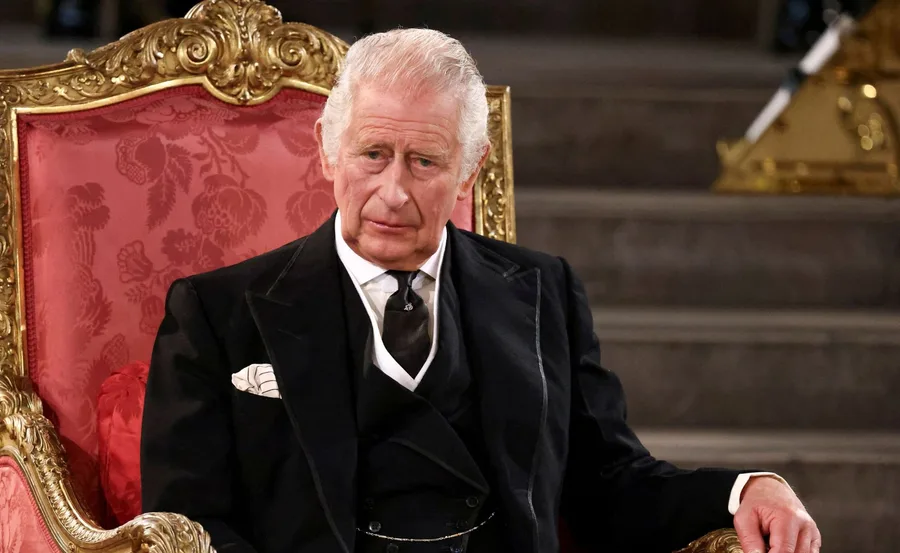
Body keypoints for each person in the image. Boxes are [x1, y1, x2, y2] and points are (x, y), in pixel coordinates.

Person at [141, 28, 821, 553]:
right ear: (326, 147)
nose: (394, 191)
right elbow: (187, 525)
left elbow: (609, 481)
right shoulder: (217, 312)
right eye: (373, 153)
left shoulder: (542, 293)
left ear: (470, 169)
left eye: (426, 161)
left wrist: (744, 489)